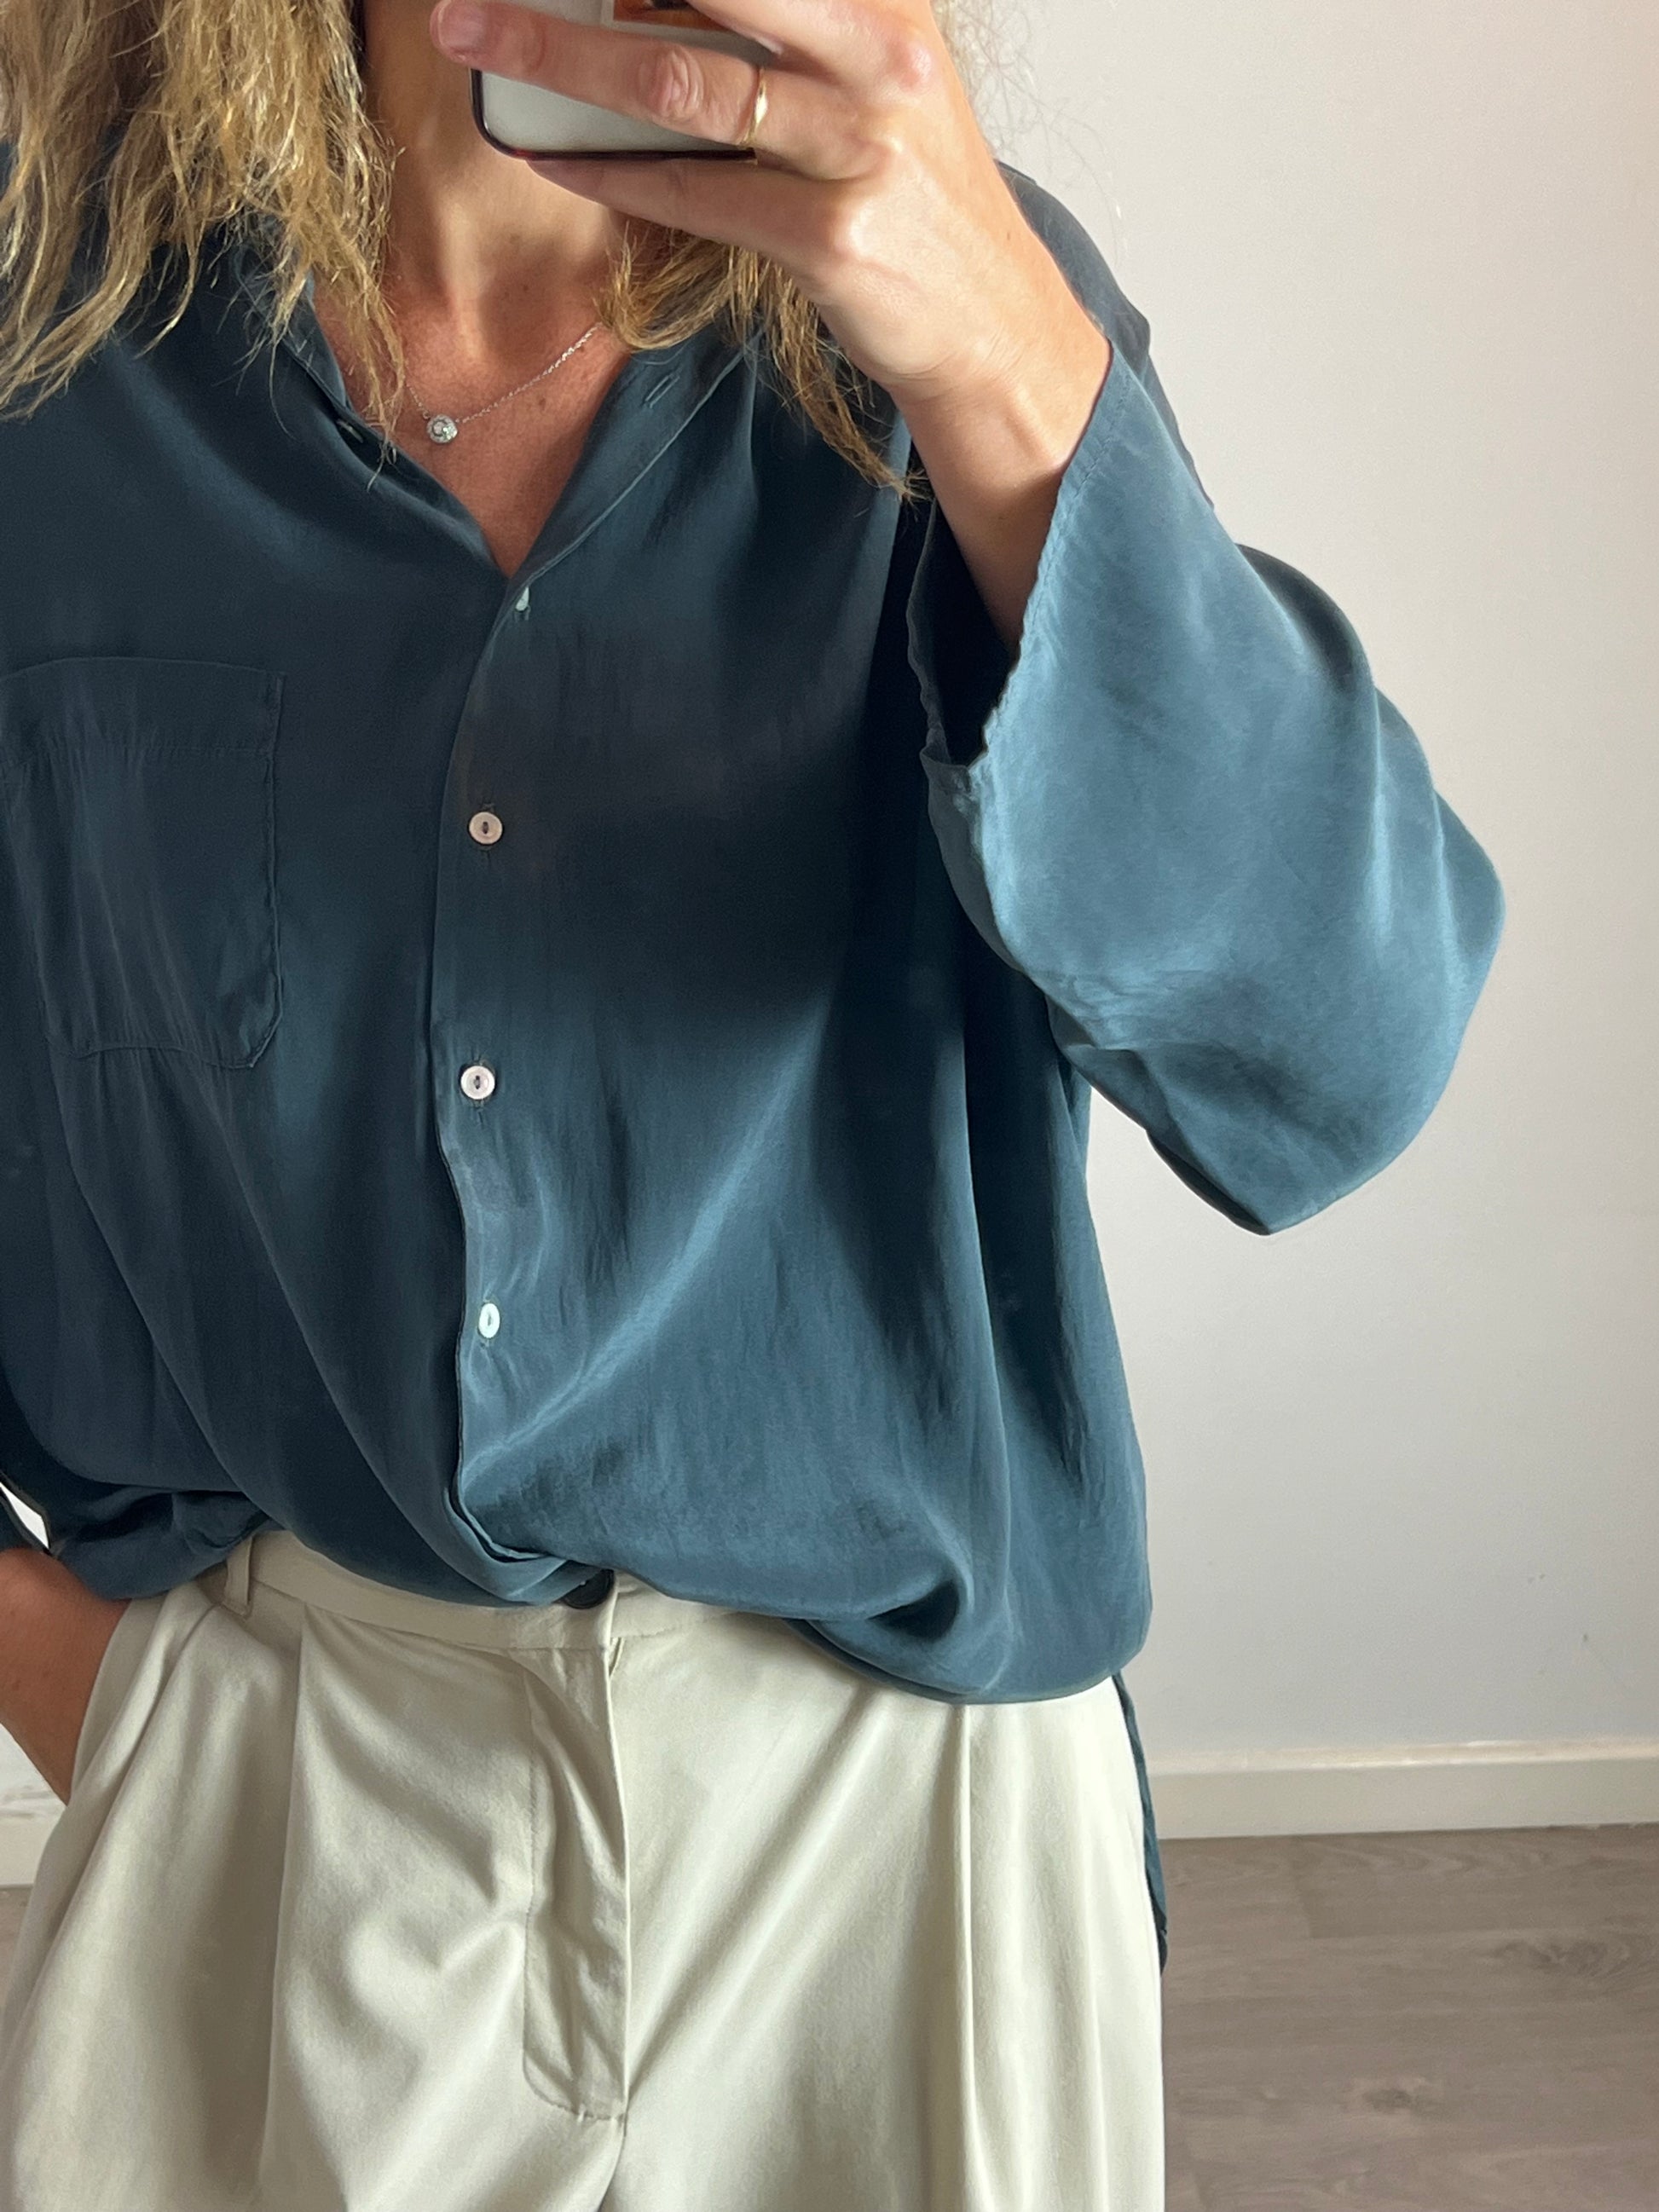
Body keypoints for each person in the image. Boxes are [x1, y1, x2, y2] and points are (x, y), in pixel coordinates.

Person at [0, 0, 1506, 2205]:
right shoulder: (60, 362)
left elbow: (1338, 1057)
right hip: (289, 1796)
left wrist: (1000, 358)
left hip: (899, 1837)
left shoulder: (946, 312)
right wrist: (106, 1697)